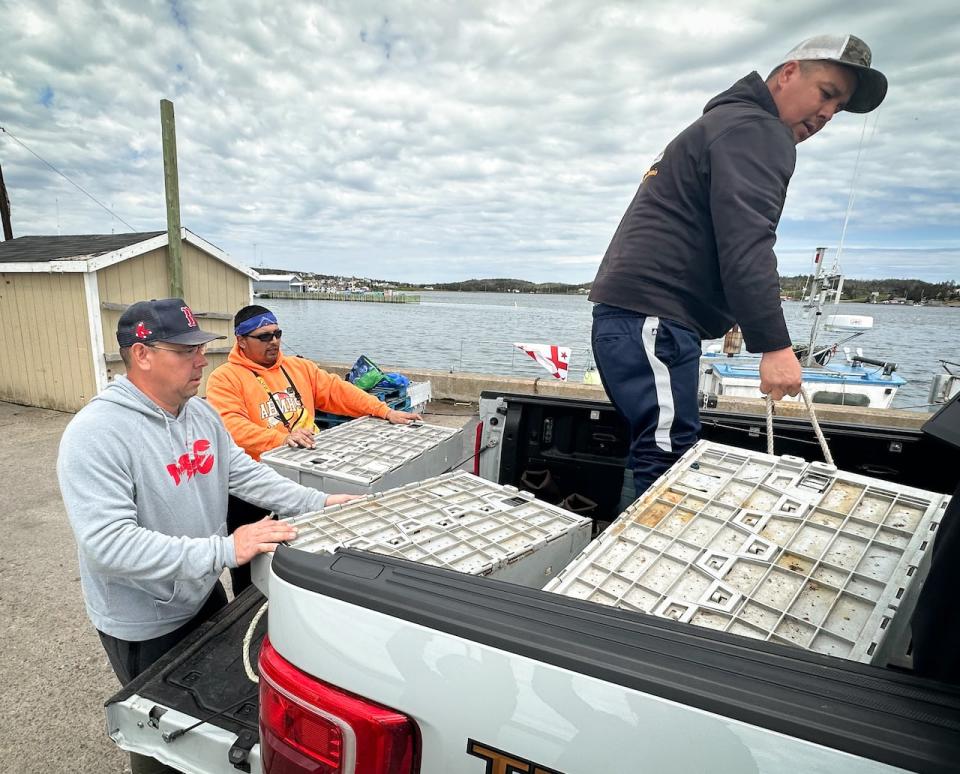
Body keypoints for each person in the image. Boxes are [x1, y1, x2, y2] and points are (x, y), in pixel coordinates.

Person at [56, 298, 357, 774]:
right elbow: (108, 545)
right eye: (185, 350)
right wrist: (226, 549)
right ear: (142, 354)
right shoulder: (96, 433)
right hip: (143, 618)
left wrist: (320, 503)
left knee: (214, 716)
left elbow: (243, 473)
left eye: (202, 348)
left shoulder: (199, 414)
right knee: (160, 736)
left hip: (201, 592)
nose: (201, 360)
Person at [588, 34, 887, 495]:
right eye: (827, 93)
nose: (828, 114)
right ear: (789, 73)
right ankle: (655, 562)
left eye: (839, 108)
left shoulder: (726, 124)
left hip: (637, 317)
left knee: (660, 443)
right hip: (653, 316)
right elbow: (747, 242)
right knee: (668, 452)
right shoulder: (758, 130)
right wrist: (775, 346)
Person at [206, 304, 421, 591]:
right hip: (252, 488)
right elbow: (229, 426)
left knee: (303, 552)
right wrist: (280, 439)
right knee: (251, 566)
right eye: (264, 337)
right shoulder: (225, 378)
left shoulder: (298, 368)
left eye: (277, 334)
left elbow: (338, 391)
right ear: (241, 341)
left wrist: (384, 411)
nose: (274, 341)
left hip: (304, 475)